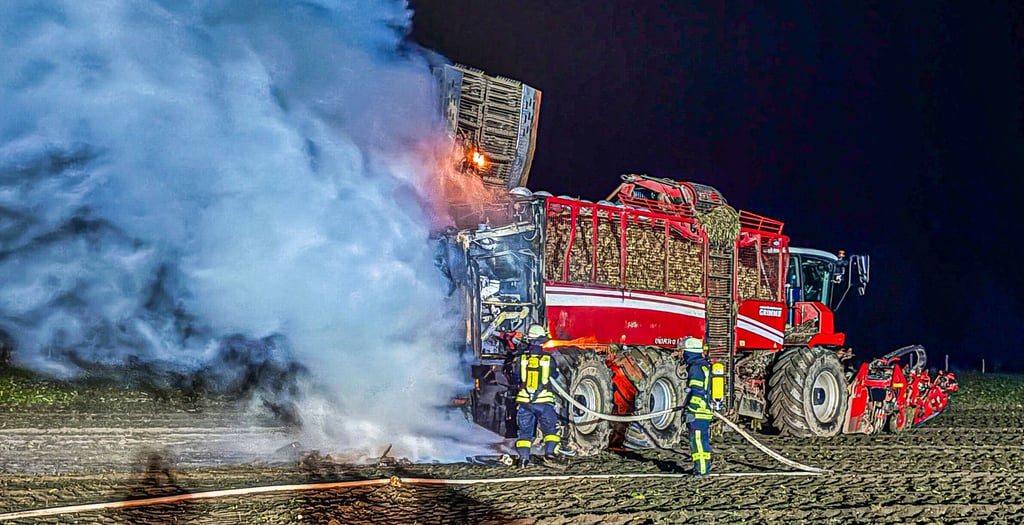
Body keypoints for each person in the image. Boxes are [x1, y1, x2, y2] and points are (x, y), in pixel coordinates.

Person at [512, 323, 562, 467]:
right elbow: (555, 375)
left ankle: (523, 460)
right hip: (544, 402)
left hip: (524, 402)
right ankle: (550, 454)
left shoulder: (521, 359)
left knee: (524, 433)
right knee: (550, 429)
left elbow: (517, 377)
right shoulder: (548, 359)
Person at [681, 336, 714, 477]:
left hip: (698, 411)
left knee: (698, 442)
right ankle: (702, 468)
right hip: (705, 410)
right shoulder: (704, 365)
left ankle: (701, 470)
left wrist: (691, 410)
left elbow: (697, 391)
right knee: (702, 440)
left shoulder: (695, 368)